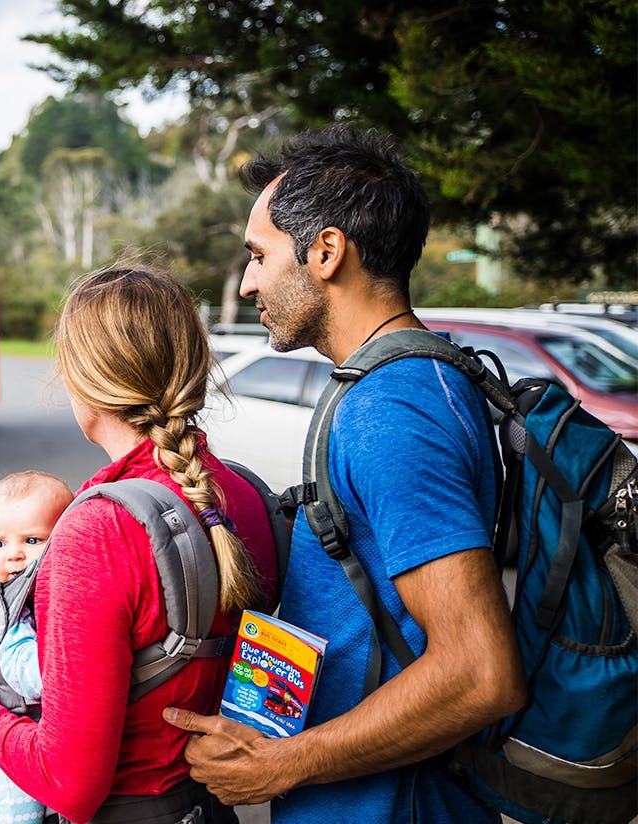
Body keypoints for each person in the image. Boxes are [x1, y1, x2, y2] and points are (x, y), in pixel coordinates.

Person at [160, 126, 527, 823]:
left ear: (326, 252)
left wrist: (285, 763)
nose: (249, 281)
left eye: (259, 256)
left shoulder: (392, 409)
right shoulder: (412, 380)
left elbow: (480, 672)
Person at [0, 267, 281, 824]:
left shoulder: (99, 533)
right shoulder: (242, 494)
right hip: (208, 808)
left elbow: (68, 784)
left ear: (83, 382)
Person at [0, 470, 74, 824]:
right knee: (19, 809)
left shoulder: (46, 592)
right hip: (17, 734)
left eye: (32, 540)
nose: (14, 555)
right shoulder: (11, 608)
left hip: (41, 731)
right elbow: (29, 677)